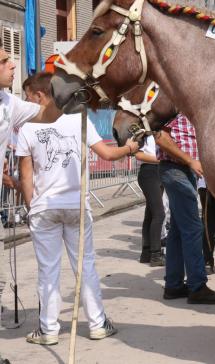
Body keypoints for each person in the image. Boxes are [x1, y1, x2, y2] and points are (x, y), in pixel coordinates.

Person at [17, 72, 138, 344]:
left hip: (45, 208)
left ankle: (49, 330)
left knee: (48, 270)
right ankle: (97, 324)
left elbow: (26, 175)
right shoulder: (78, 119)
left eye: (28, 96)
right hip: (75, 206)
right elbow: (107, 153)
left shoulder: (27, 128)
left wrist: (30, 208)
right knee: (85, 265)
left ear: (40, 95)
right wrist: (130, 149)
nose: (26, 102)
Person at [0, 49, 63, 329]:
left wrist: (74, 90)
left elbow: (45, 113)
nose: (13, 64)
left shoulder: (8, 103)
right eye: (3, 61)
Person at [155, 114, 215, 304]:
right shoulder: (172, 107)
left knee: (179, 231)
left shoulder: (183, 108)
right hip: (176, 169)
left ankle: (173, 285)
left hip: (180, 170)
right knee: (193, 228)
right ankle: (197, 286)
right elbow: (161, 137)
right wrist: (189, 160)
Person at [134, 135, 165, 266]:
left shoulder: (161, 130)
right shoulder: (143, 134)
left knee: (151, 213)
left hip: (160, 171)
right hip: (149, 172)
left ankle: (146, 253)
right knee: (159, 214)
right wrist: (162, 160)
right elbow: (138, 155)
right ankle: (155, 255)